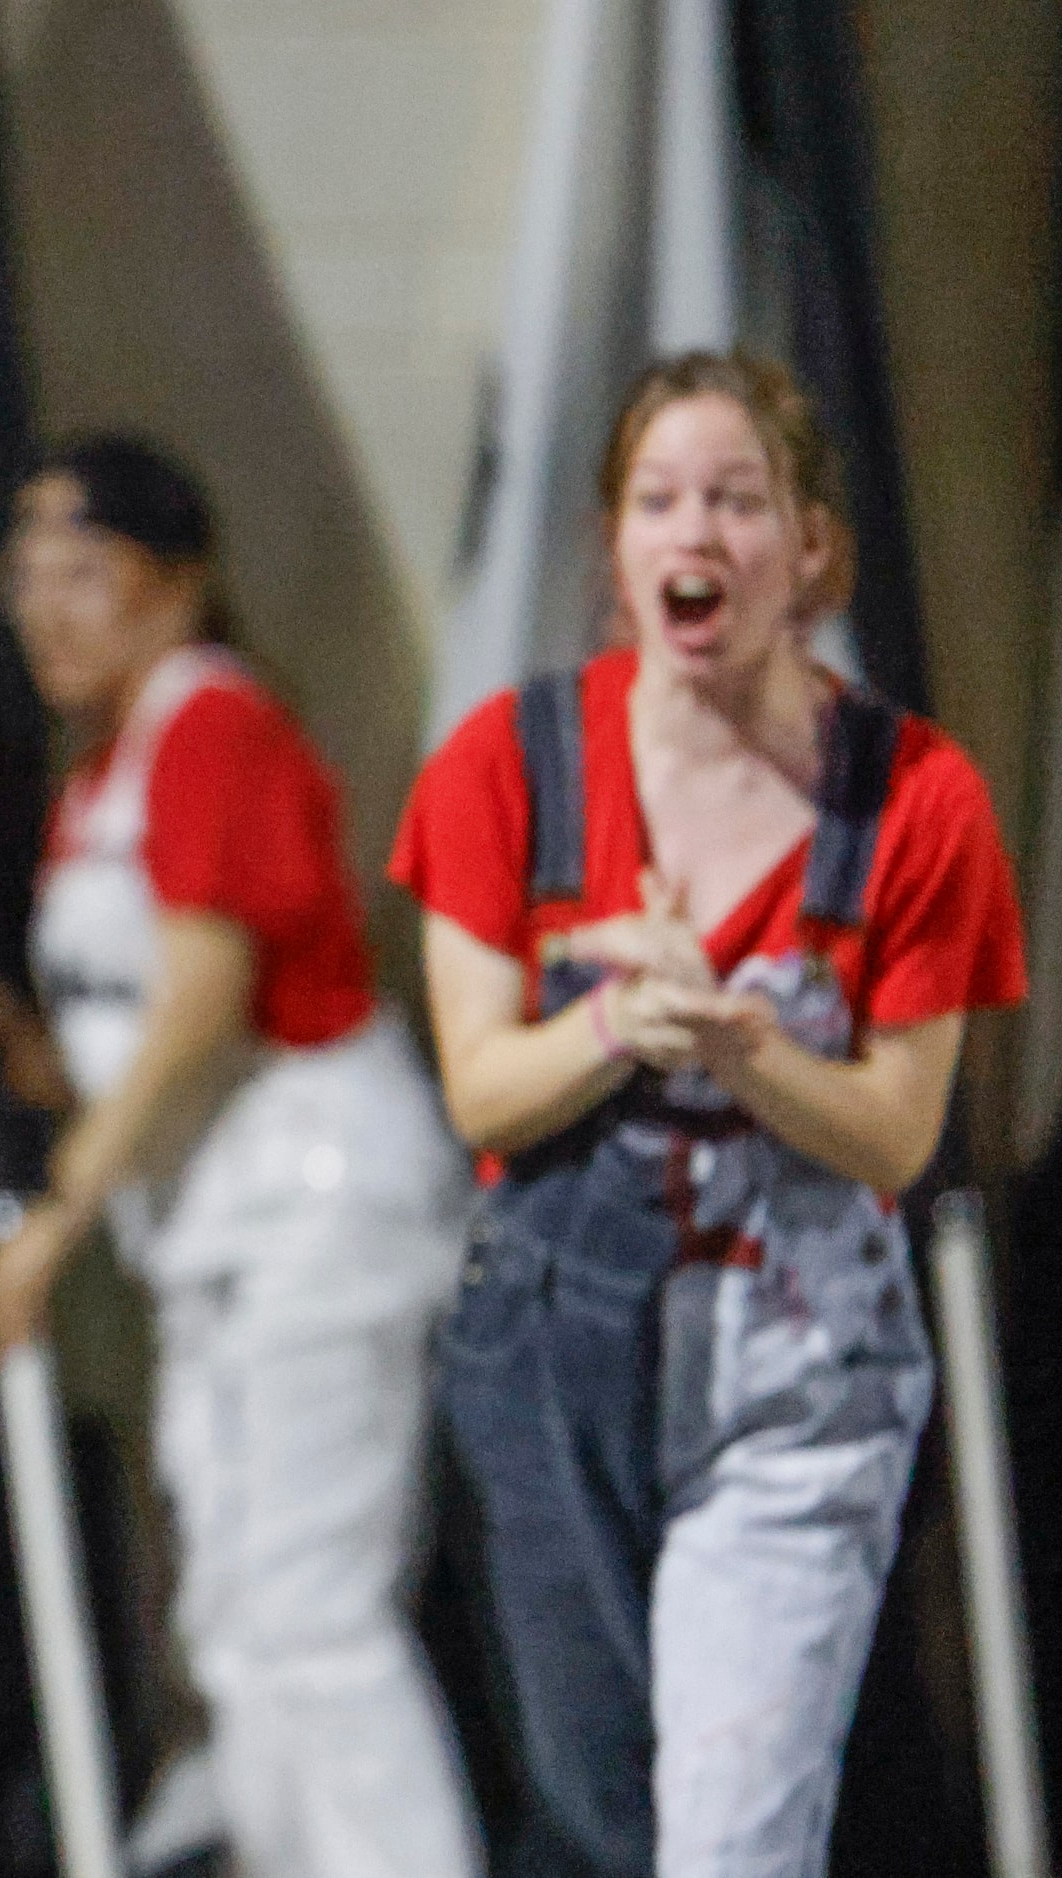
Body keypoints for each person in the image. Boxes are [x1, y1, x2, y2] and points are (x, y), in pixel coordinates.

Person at [391, 350, 1025, 1878]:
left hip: (798, 1374)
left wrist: (736, 1041)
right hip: (554, 1353)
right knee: (603, 1808)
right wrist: (619, 1018)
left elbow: (893, 1133)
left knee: (732, 1837)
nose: (699, 533)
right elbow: (480, 1083)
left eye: (740, 499)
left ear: (809, 544)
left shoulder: (918, 799)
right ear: (615, 546)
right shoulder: (506, 767)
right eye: (661, 499)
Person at [0, 437, 482, 1878]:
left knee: (311, 1607)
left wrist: (56, 1217)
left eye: (85, 575)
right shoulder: (102, 767)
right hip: (216, 1234)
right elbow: (135, 1046)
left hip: (318, 1206)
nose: (51, 611)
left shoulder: (213, 724)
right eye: (26, 579)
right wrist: (26, 1057)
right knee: (237, 1621)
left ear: (177, 583)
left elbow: (204, 999)